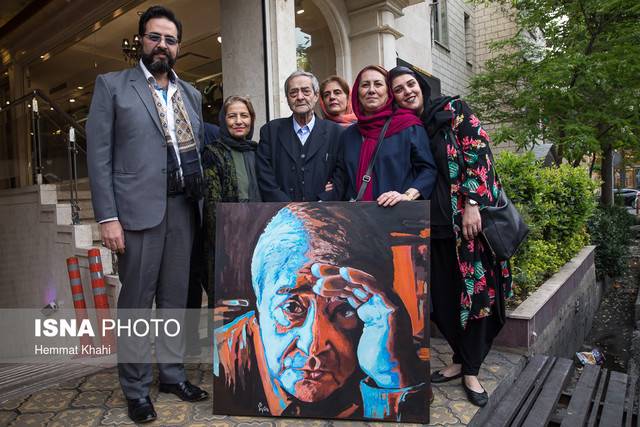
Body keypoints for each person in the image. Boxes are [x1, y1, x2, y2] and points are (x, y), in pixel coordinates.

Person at [86, 6, 208, 423]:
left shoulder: (190, 94)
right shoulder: (112, 86)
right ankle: (136, 389)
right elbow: (98, 157)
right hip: (136, 212)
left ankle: (172, 374)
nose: (162, 45)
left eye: (170, 40)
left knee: (175, 300)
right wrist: (107, 217)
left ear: (178, 47)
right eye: (155, 37)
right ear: (141, 40)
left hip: (183, 206)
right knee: (137, 303)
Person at [213, 203, 428, 422]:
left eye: (345, 308)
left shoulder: (393, 350)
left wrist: (389, 378)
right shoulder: (221, 362)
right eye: (292, 307)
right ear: (259, 308)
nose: (313, 347)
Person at [388, 65, 513, 407]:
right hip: (429, 227)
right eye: (398, 89)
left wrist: (472, 202)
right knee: (441, 302)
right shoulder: (408, 128)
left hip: (465, 227)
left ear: (422, 85)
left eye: (410, 84)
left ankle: (471, 370)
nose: (406, 92)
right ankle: (458, 359)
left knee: (475, 298)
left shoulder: (454, 111)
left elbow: (479, 154)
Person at [327, 65, 437, 206]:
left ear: (388, 92)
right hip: (356, 220)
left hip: (398, 216)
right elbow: (342, 177)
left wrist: (407, 196)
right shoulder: (349, 135)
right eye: (365, 85)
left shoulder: (408, 126)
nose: (371, 90)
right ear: (357, 93)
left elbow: (428, 170)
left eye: (378, 84)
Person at [202, 95, 261, 300]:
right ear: (223, 121)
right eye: (232, 116)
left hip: (257, 237)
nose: (238, 121)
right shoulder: (212, 153)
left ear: (252, 120)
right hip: (226, 242)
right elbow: (212, 206)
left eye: (244, 115)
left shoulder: (259, 151)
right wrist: (229, 242)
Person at [256, 70, 343, 202]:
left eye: (306, 91)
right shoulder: (270, 132)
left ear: (316, 96)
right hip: (282, 216)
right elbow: (264, 176)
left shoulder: (336, 132)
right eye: (293, 92)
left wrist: (323, 201)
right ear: (287, 98)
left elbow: (342, 174)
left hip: (324, 214)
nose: (300, 97)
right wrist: (288, 208)